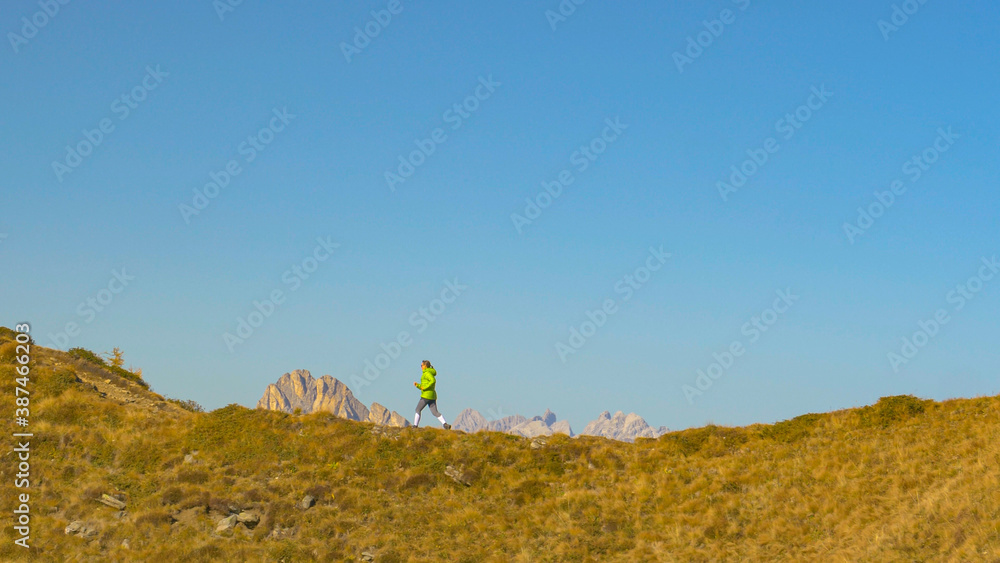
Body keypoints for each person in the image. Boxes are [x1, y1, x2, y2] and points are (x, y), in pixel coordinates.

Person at [413, 360, 450, 429]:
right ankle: (445, 424)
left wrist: (425, 387)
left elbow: (432, 381)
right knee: (435, 412)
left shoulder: (427, 373)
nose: (421, 367)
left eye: (421, 365)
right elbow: (424, 385)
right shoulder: (429, 372)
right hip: (432, 396)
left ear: (425, 366)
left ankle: (415, 426)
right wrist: (418, 385)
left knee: (417, 409)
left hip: (426, 396)